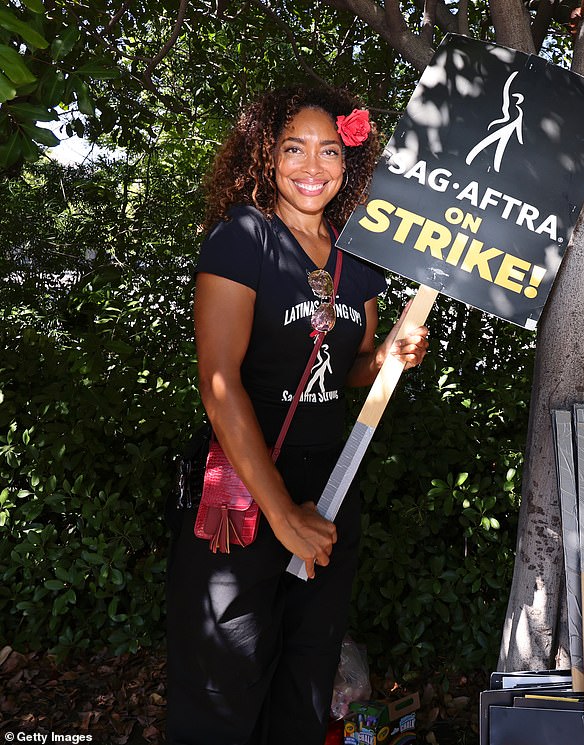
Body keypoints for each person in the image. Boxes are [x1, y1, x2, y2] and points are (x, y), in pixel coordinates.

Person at [166, 85, 429, 745]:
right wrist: (282, 514)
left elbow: (355, 366)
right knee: (224, 686)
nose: (312, 166)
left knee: (306, 682)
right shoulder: (242, 237)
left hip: (330, 487)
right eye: (294, 147)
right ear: (265, 153)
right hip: (244, 489)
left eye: (329, 150)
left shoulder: (356, 255)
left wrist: (393, 354)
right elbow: (218, 379)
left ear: (349, 163)